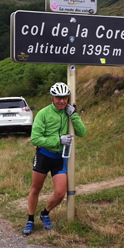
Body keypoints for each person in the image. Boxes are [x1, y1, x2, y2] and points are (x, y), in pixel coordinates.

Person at [24, 82, 87, 235]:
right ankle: (30, 219)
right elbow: (35, 139)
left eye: (64, 98)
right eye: (58, 98)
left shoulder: (68, 112)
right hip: (44, 155)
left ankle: (45, 213)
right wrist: (58, 140)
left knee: (60, 193)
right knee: (36, 188)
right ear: (52, 98)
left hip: (60, 158)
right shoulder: (43, 113)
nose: (61, 101)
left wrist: (74, 115)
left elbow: (82, 132)